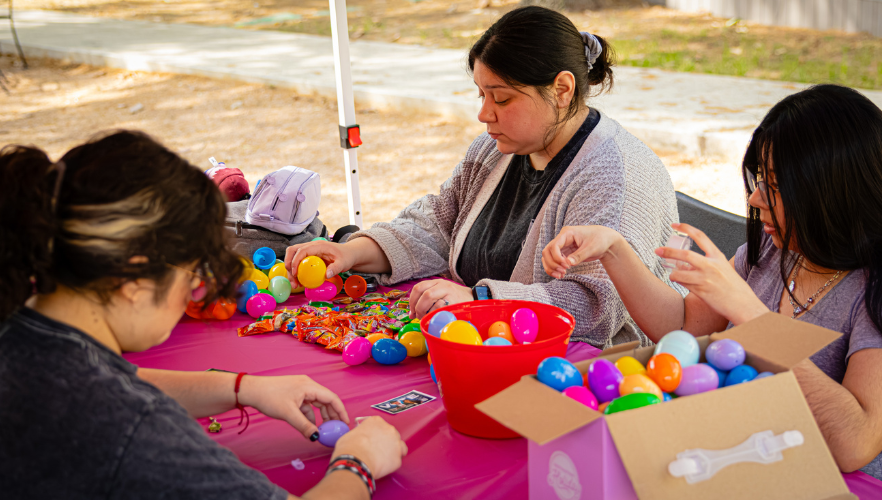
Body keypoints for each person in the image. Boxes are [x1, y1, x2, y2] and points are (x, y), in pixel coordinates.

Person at [0, 131, 407, 499]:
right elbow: (115, 402)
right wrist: (359, 462)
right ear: (135, 277)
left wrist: (243, 389)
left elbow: (109, 380)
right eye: (192, 278)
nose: (191, 295)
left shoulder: (24, 332)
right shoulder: (132, 427)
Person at [286, 6, 682, 348]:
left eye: (502, 98)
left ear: (562, 89)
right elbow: (439, 224)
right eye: (482, 95)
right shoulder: (496, 149)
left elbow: (596, 308)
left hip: (590, 372)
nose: (484, 114)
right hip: (479, 342)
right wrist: (352, 252)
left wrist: (478, 300)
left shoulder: (615, 178)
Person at [542, 84, 882, 478]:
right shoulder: (776, 253)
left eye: (774, 187)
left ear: (831, 192)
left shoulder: (870, 290)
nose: (755, 200)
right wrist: (613, 249)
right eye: (758, 181)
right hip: (738, 460)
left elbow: (856, 443)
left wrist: (753, 317)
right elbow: (682, 326)